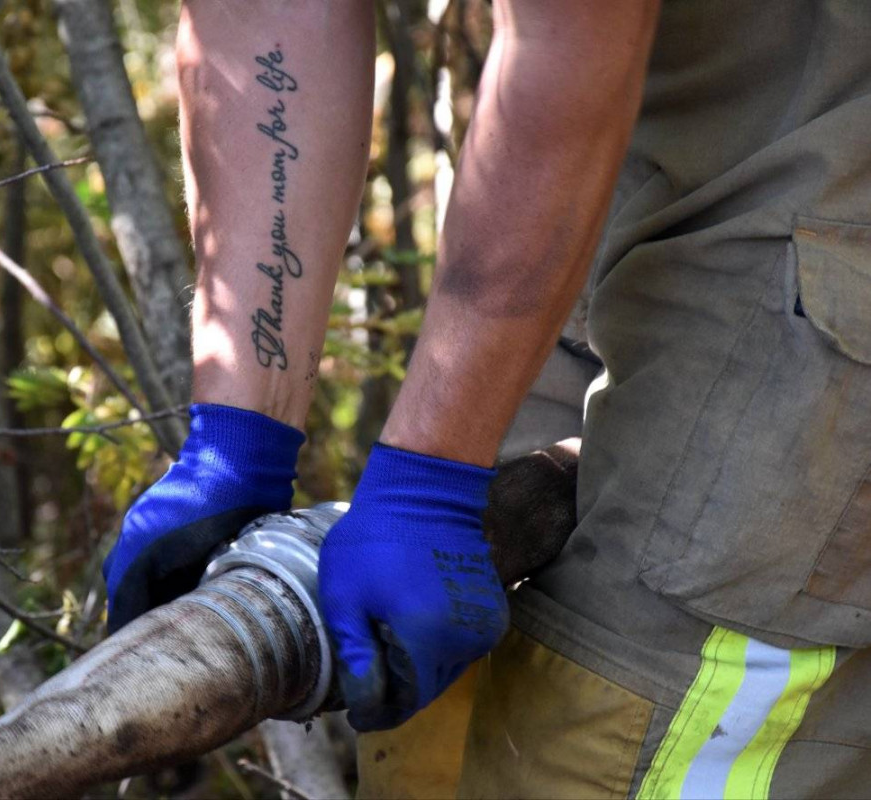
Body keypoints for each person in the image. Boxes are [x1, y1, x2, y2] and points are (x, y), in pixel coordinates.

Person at [103, 0, 871, 796]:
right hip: (591, 171)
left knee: (600, 734)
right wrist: (238, 438)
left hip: (819, 205)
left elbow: (575, 25)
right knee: (434, 730)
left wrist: (426, 477)